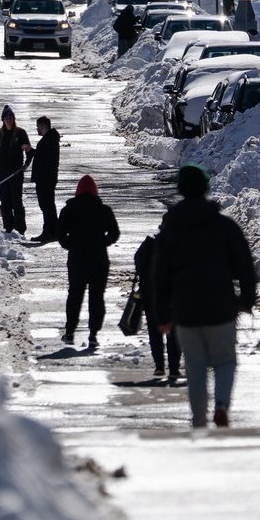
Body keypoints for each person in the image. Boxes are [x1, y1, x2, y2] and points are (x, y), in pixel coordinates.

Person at [154, 164, 257, 428]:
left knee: (195, 366)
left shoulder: (171, 230)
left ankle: (198, 419)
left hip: (186, 311)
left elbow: (160, 276)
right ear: (205, 187)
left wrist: (163, 315)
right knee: (224, 361)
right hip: (221, 308)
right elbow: (245, 265)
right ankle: (221, 405)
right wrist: (246, 300)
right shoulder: (224, 226)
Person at [57, 175, 120, 349]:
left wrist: (72, 245)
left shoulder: (68, 210)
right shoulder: (104, 210)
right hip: (99, 258)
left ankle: (70, 331)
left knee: (75, 294)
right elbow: (114, 234)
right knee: (96, 296)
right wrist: (101, 243)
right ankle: (93, 334)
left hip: (77, 258)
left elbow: (60, 235)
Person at [135, 233, 181, 380]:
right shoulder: (180, 244)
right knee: (174, 332)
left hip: (151, 294)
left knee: (155, 331)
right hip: (174, 294)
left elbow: (138, 262)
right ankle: (174, 368)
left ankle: (159, 366)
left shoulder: (150, 244)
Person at [0, 105, 32, 234]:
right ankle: (8, 227)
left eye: (10, 118)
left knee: (16, 201)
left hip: (16, 172)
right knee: (5, 201)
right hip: (2, 172)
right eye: (6, 118)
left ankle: (20, 228)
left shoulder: (20, 133)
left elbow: (29, 150)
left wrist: (26, 163)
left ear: (13, 119)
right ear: (3, 120)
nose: (8, 120)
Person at [30, 115, 61, 243]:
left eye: (38, 127)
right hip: (48, 178)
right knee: (48, 205)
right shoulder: (50, 140)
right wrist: (31, 151)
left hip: (45, 179)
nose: (37, 129)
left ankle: (49, 232)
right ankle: (53, 231)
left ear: (42, 127)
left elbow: (44, 160)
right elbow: (41, 155)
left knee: (46, 206)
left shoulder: (48, 141)